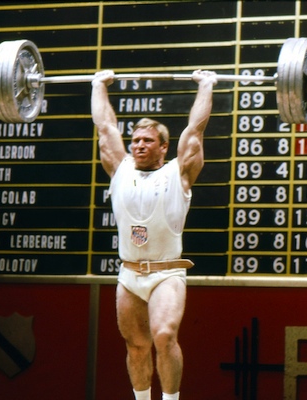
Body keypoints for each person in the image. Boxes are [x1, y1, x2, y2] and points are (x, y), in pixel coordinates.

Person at [91, 69, 217, 400]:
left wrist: (206, 85)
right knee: (136, 345)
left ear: (164, 146)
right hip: (130, 274)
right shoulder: (120, 170)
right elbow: (104, 128)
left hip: (167, 273)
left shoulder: (179, 174)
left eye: (148, 140)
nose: (139, 145)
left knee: (164, 335)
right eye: (135, 140)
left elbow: (196, 130)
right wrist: (98, 85)